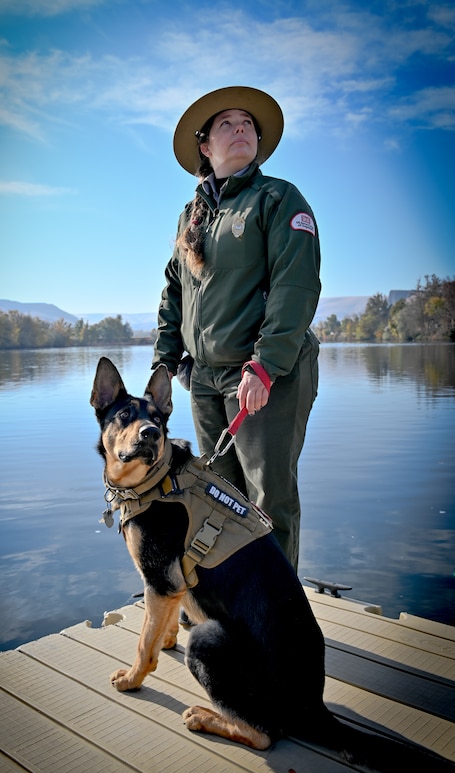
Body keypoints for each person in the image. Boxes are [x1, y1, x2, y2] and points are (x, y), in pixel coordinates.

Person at [152, 86, 321, 571]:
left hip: (266, 377)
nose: (240, 128)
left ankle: (280, 622)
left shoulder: (278, 198)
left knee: (269, 501)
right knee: (220, 499)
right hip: (204, 380)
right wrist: (164, 368)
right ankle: (237, 610)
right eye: (227, 123)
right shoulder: (193, 216)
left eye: (247, 122)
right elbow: (173, 294)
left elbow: (296, 286)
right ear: (206, 146)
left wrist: (265, 366)